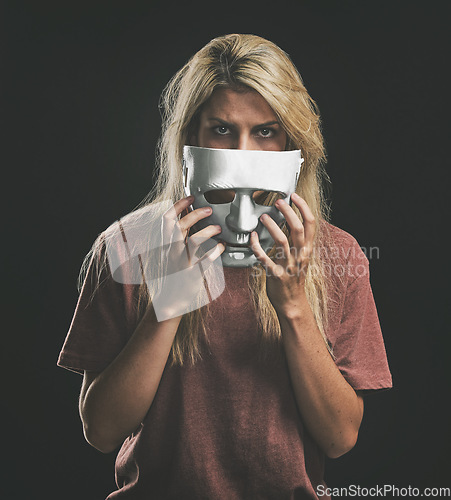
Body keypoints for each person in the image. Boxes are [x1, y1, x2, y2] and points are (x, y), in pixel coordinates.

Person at [58, 34, 392, 499]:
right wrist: (167, 306)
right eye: (221, 129)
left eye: (265, 131)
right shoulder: (126, 247)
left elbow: (339, 438)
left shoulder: (338, 257)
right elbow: (102, 430)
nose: (243, 153)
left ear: (293, 146)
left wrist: (295, 306)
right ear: (189, 136)